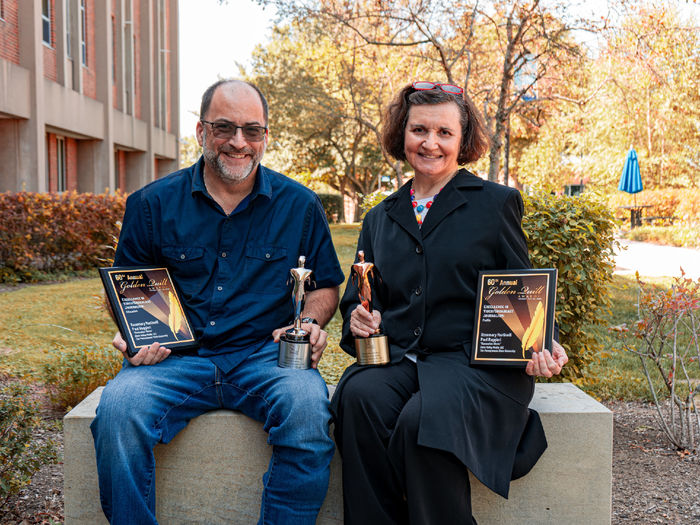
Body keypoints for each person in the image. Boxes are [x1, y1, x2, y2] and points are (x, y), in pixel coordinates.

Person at [91, 79, 345, 525]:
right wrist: (133, 332)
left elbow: (325, 286)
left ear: (266, 136)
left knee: (307, 411)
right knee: (118, 410)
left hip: (267, 356)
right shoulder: (151, 205)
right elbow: (129, 289)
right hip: (174, 358)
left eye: (252, 130)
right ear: (201, 131)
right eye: (224, 127)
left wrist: (306, 322)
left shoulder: (300, 206)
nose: (238, 142)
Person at [331, 81, 569, 525]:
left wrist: (544, 342)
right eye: (419, 129)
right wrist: (358, 318)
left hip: (475, 365)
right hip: (403, 357)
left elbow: (522, 290)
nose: (430, 143)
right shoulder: (381, 216)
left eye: (444, 132)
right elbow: (358, 297)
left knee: (422, 421)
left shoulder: (495, 204)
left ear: (463, 141)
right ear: (403, 133)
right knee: (359, 398)